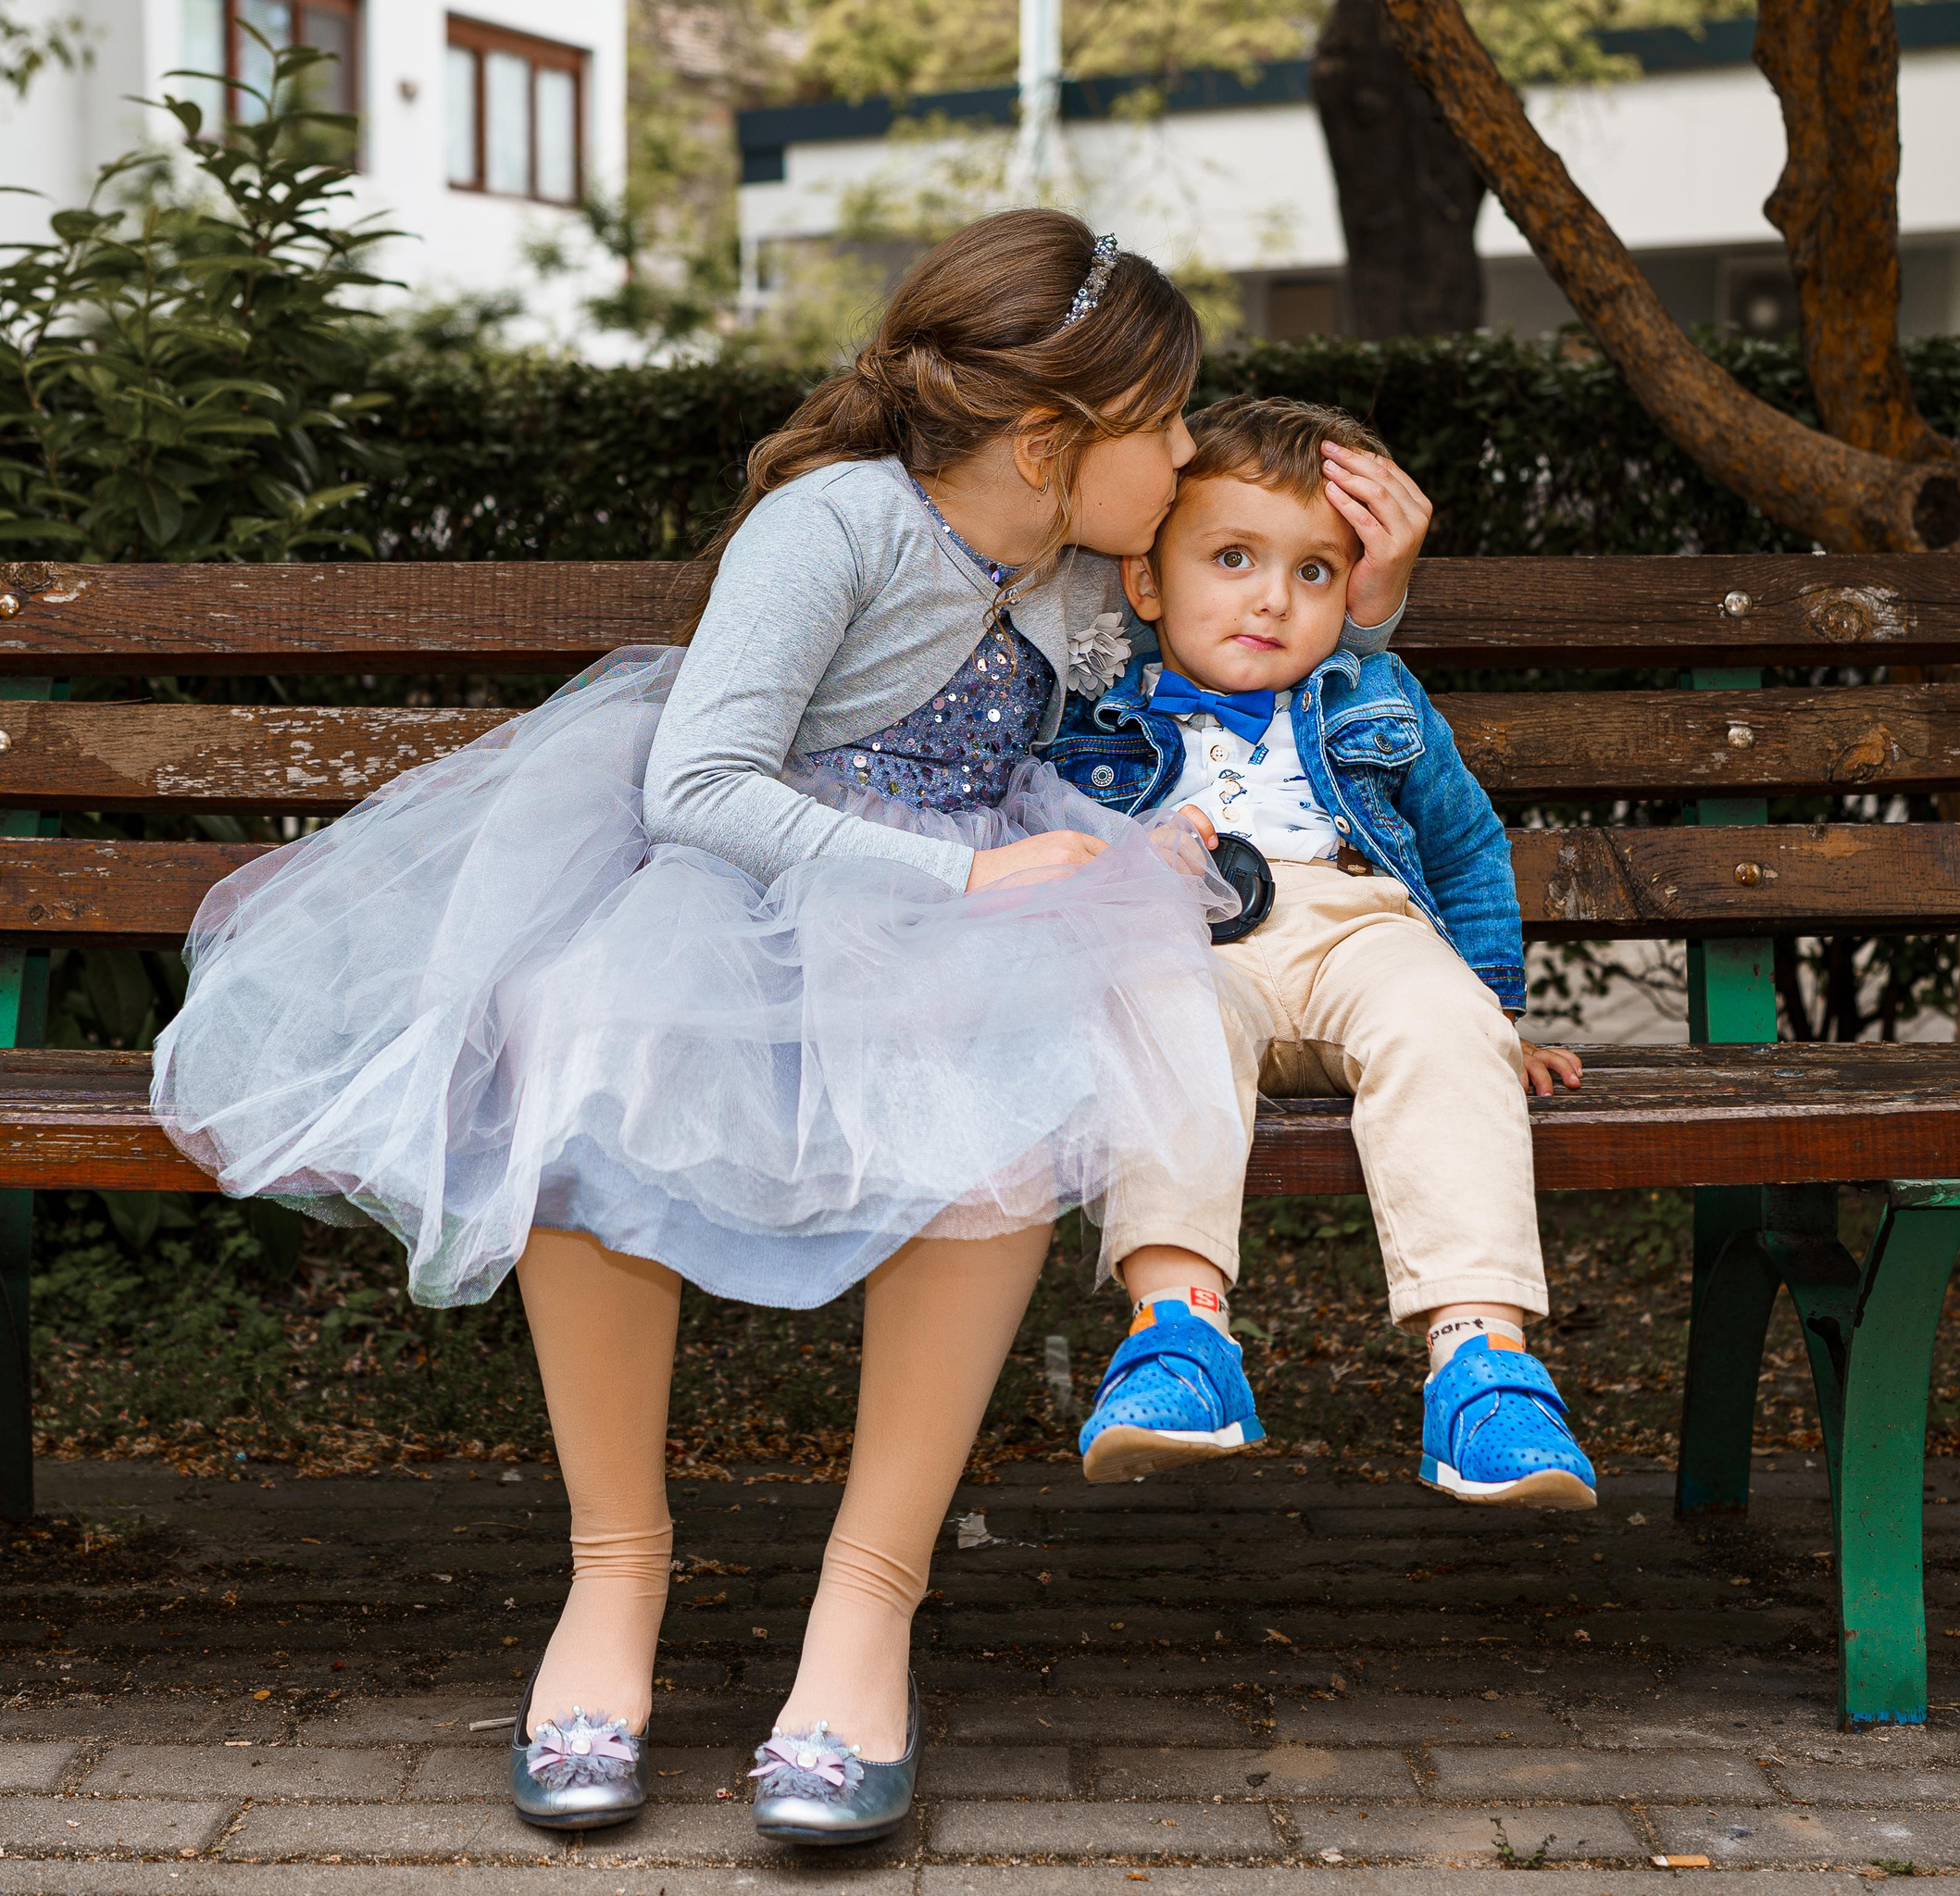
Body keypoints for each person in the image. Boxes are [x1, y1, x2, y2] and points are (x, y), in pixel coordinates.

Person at [149, 219, 1430, 1844]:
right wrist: (956, 875)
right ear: (1053, 440)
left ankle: (867, 1602)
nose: (1186, 458)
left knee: (1027, 1066)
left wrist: (1369, 604)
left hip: (976, 892)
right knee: (577, 1047)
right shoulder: (834, 525)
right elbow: (697, 785)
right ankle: (615, 1571)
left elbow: (1249, 672)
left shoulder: (1081, 566)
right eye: (1167, 423)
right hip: (742, 885)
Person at [1047, 395, 1599, 1511]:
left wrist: (1495, 1015)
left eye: (1313, 572)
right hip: (1194, 944)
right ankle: (1177, 1341)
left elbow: (1463, 846)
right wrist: (1124, 855)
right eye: (1234, 556)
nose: (1270, 596)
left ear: (1352, 590)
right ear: (1146, 582)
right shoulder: (1100, 717)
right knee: (1164, 1018)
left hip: (1364, 929)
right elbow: (1037, 854)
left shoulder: (1373, 693)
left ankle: (1482, 1365)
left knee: (1439, 1024)